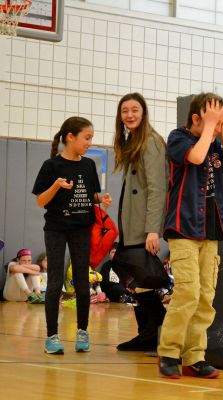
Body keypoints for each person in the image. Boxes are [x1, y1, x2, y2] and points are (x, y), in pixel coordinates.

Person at [157, 93, 223, 379]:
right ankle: (169, 352)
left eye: (220, 123)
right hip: (183, 228)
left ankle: (194, 356)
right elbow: (195, 157)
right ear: (196, 119)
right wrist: (208, 128)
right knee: (187, 292)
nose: (217, 127)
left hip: (210, 229)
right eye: (214, 121)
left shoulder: (216, 142)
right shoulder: (178, 138)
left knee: (205, 296)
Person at [32, 116, 112, 355]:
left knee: (82, 281)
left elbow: (90, 196)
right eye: (87, 138)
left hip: (82, 228)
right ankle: (52, 336)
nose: (89, 142)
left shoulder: (88, 165)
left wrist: (102, 199)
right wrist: (56, 185)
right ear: (70, 137)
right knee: (55, 282)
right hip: (56, 229)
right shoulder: (51, 166)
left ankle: (82, 331)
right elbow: (40, 201)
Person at [113, 92, 168, 351]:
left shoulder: (152, 142)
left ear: (143, 112)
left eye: (135, 110)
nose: (130, 115)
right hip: (129, 225)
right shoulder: (132, 142)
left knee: (144, 279)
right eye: (125, 111)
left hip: (143, 227)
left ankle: (154, 333)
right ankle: (147, 333)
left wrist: (152, 231)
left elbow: (157, 189)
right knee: (137, 280)